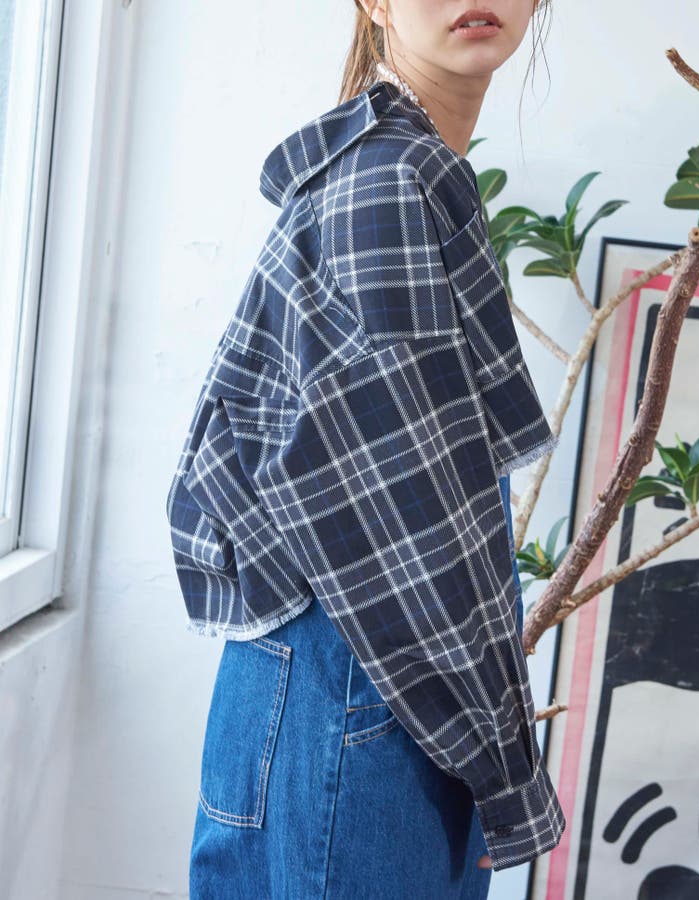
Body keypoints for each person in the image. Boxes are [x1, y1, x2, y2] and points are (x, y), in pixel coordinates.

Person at [165, 1, 564, 896]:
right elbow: (412, 533)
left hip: (328, 679)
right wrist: (504, 771)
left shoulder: (386, 164)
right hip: (372, 688)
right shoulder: (391, 181)